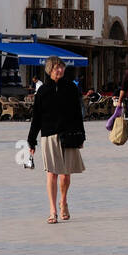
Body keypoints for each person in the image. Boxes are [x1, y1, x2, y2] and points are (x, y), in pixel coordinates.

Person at [26, 56, 86, 223]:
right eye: (56, 68)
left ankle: (63, 201)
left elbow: (77, 114)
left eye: (61, 67)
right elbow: (36, 118)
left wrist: (81, 135)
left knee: (65, 175)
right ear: (49, 70)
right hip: (49, 136)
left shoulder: (71, 89)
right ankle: (53, 210)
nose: (59, 70)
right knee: (52, 173)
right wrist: (31, 141)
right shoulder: (43, 91)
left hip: (69, 134)